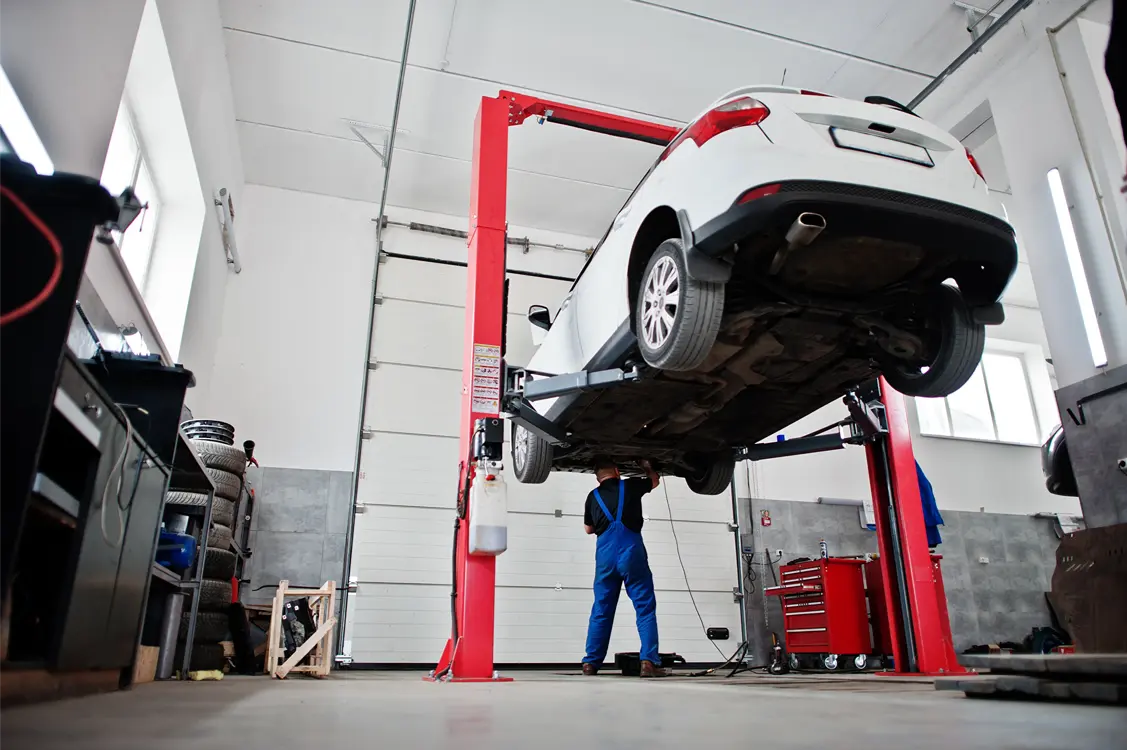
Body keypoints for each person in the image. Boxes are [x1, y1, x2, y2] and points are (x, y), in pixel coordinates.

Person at [580, 457, 669, 678]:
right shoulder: (630, 485)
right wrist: (647, 466)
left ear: (597, 478)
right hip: (631, 551)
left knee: (601, 610)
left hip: (605, 556)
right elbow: (655, 481)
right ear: (617, 471)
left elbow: (588, 529)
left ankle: (590, 663)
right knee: (644, 607)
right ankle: (649, 661)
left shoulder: (593, 496)